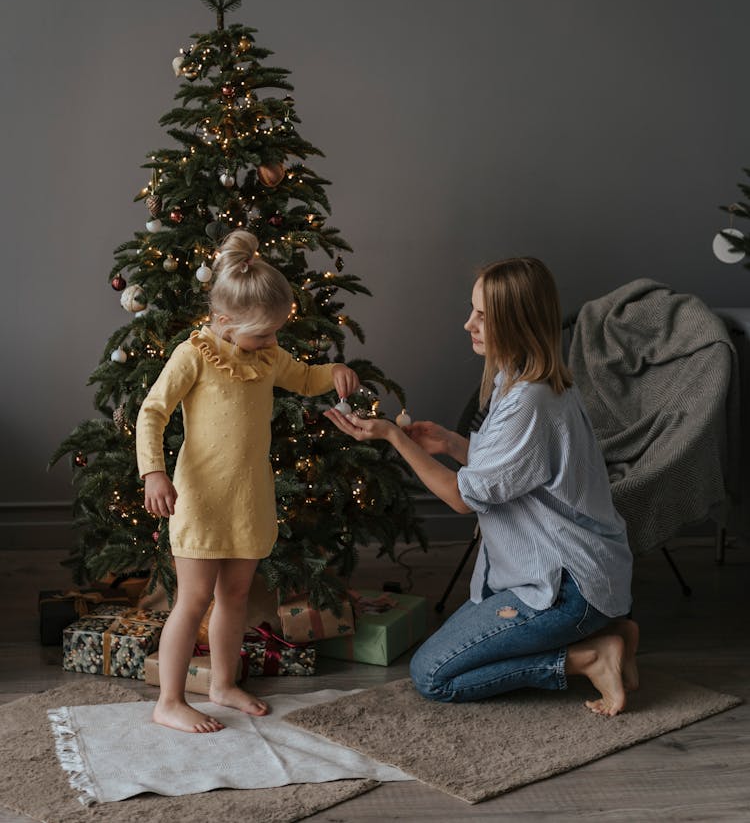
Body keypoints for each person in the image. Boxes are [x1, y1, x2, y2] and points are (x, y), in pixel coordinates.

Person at [325, 257, 637, 716]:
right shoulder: (521, 381)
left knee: (433, 675)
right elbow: (516, 476)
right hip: (577, 577)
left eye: (483, 316)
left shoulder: (529, 401)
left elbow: (460, 498)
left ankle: (589, 656)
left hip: (567, 588)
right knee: (455, 656)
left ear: (518, 321)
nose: (468, 323)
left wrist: (392, 437)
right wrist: (451, 443)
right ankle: (611, 633)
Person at [136, 229, 359, 733]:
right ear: (224, 321)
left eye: (275, 333)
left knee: (235, 594)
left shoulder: (266, 356)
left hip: (248, 497)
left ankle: (222, 682)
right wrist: (153, 471)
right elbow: (152, 413)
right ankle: (169, 699)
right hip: (200, 497)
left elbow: (304, 378)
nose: (271, 343)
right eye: (262, 334)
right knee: (192, 599)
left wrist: (335, 372)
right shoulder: (194, 354)